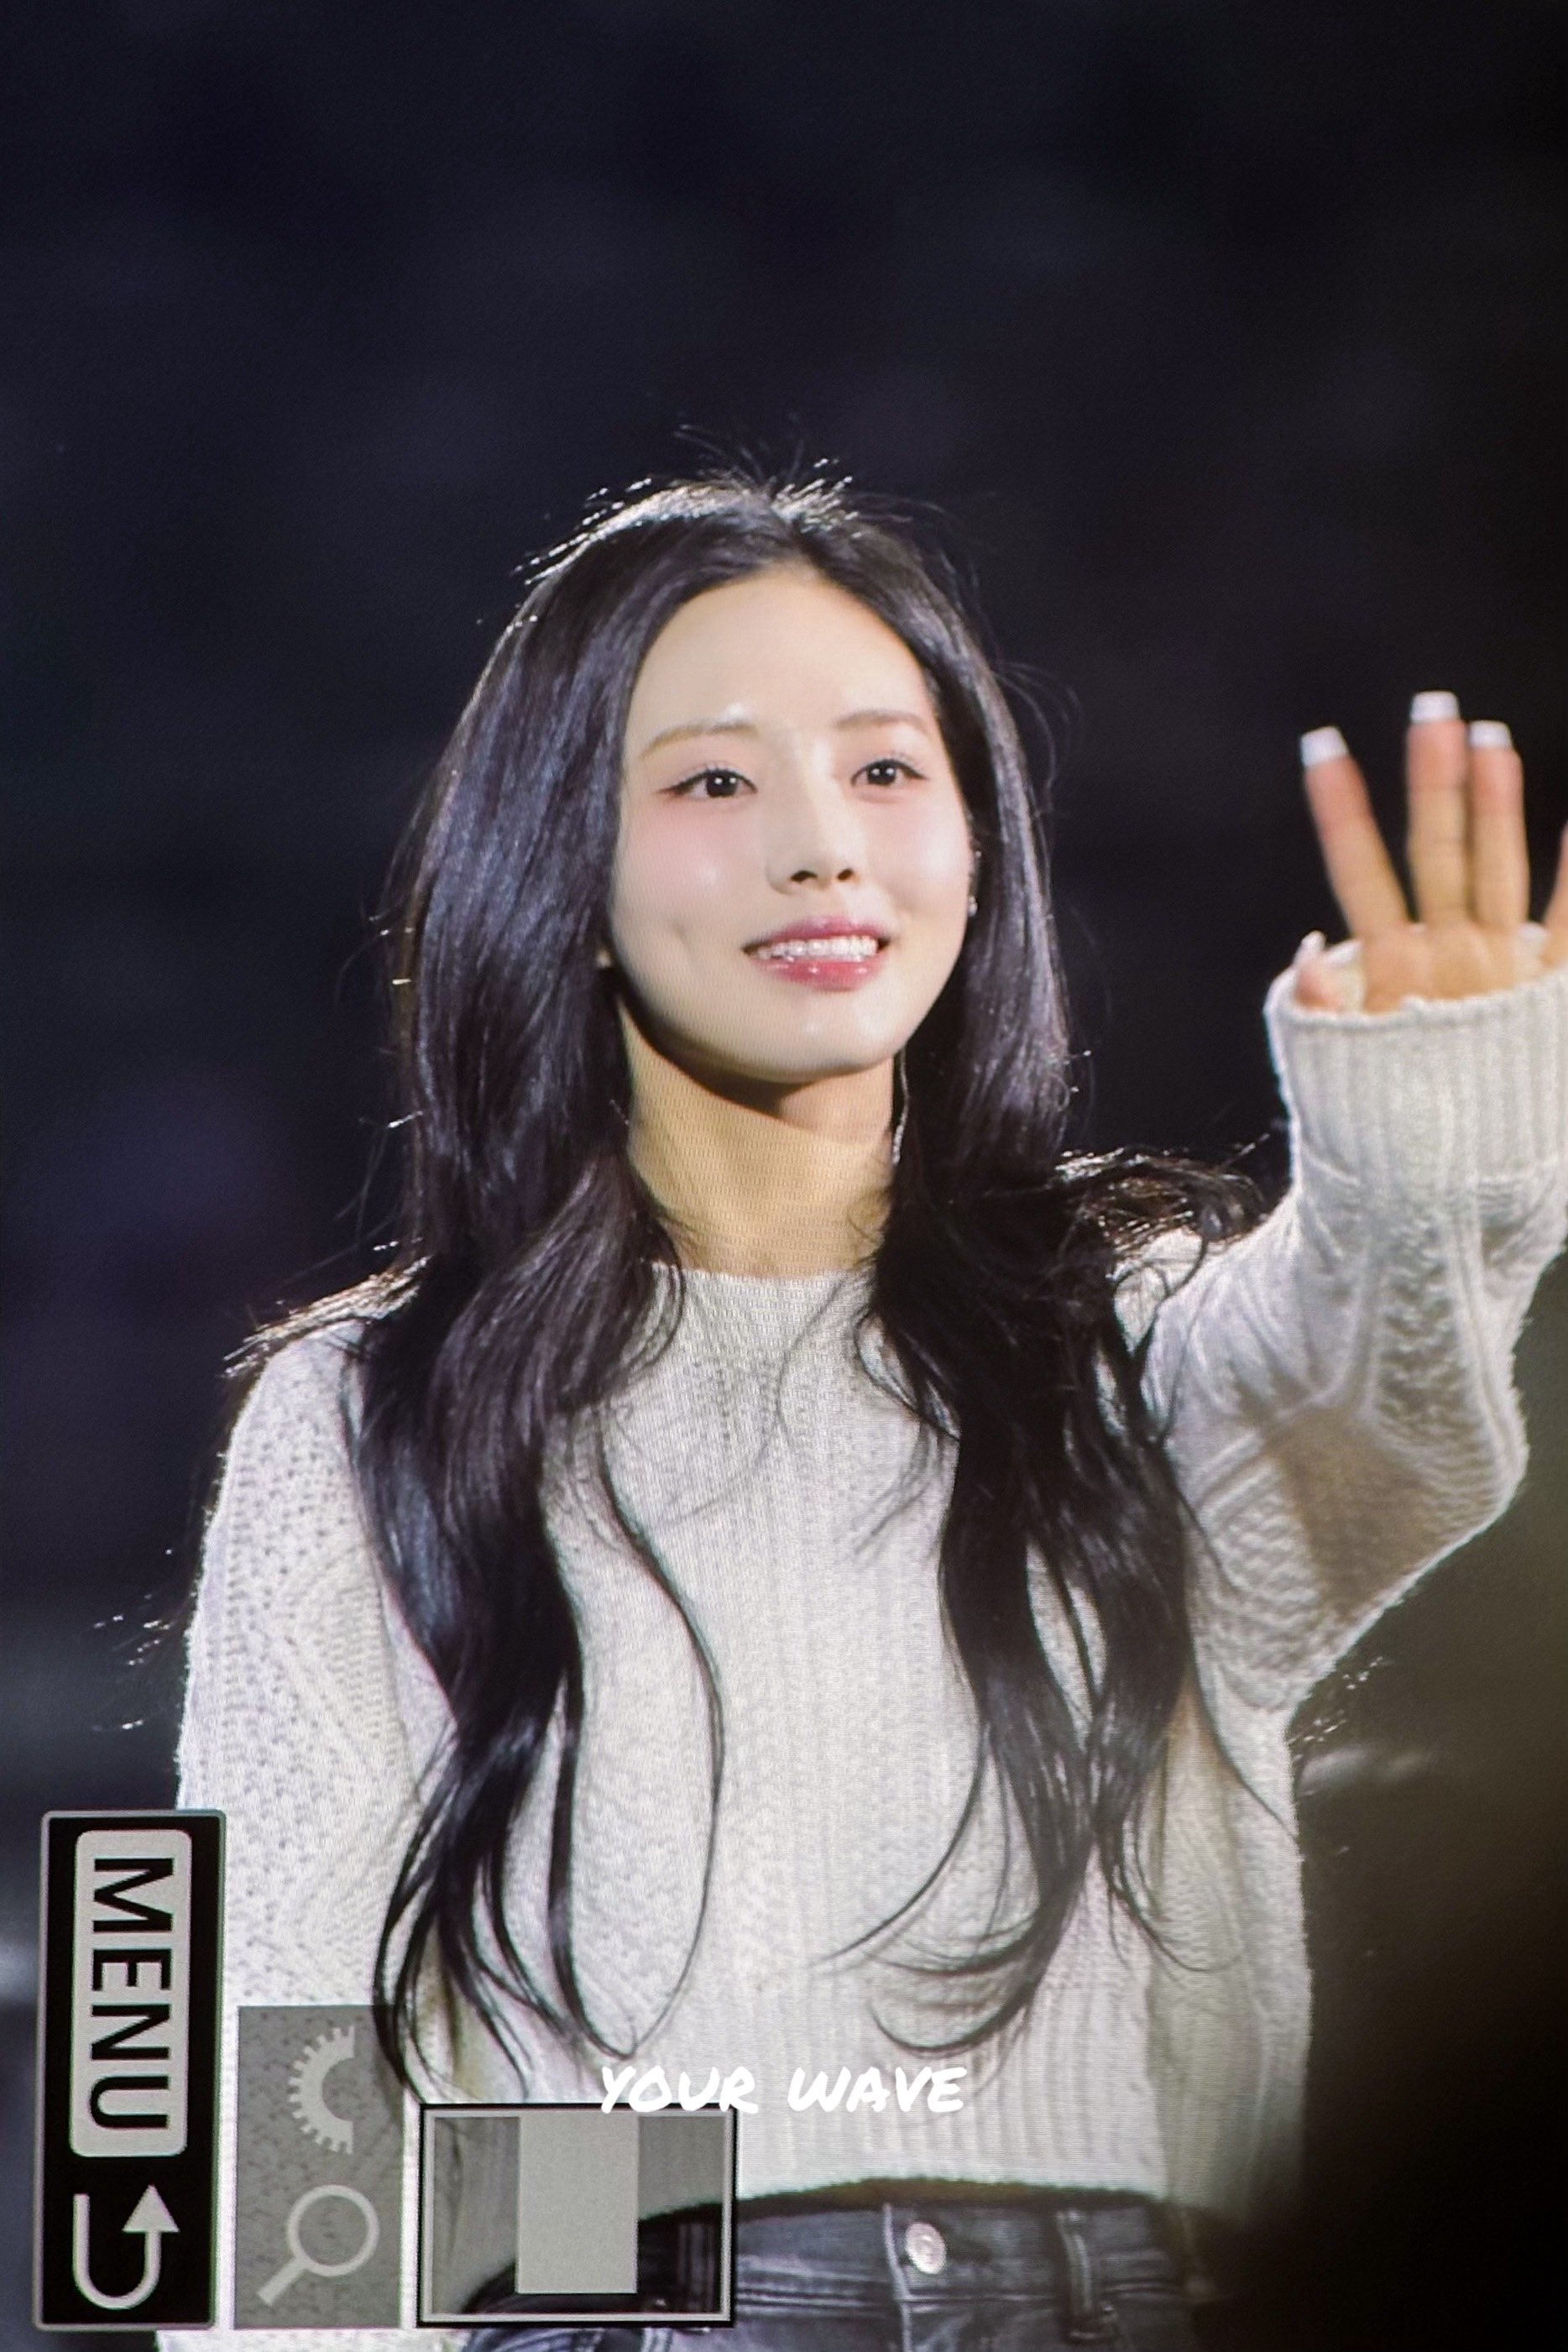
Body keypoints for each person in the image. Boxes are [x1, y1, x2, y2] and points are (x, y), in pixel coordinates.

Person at [165, 470, 1568, 2352]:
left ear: (978, 852)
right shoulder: (367, 1413)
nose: (822, 846)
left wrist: (1430, 1130)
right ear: (566, 868)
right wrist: (698, 2232)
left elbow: (1382, 1407)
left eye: (888, 771)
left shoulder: (1127, 1330)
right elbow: (274, 2122)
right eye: (714, 782)